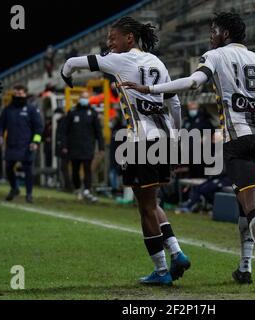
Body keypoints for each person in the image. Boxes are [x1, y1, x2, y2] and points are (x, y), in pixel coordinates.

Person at [120, 12, 255, 292]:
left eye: (214, 30)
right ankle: (244, 267)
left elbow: (193, 83)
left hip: (238, 137)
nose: (211, 35)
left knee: (252, 201)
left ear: (225, 34)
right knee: (243, 201)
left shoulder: (216, 55)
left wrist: (151, 88)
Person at [61, 16, 190, 286]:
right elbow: (175, 103)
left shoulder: (120, 60)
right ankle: (177, 253)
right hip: (164, 138)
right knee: (153, 202)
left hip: (140, 141)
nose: (109, 44)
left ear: (128, 38)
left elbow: (72, 63)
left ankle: (162, 270)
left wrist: (66, 76)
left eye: (112, 38)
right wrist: (176, 136)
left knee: (144, 208)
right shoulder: (157, 62)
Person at [0, 85, 44, 203]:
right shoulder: (8, 109)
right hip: (12, 144)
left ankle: (29, 194)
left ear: (25, 95)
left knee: (28, 169)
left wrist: (35, 141)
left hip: (27, 144)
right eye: (16, 94)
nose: (18, 96)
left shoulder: (31, 109)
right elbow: (1, 125)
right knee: (8, 168)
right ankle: (14, 188)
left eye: (20, 94)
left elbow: (38, 127)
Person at [62, 91, 105, 202]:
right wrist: (64, 145)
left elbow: (98, 132)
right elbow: (65, 131)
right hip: (74, 147)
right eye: (83, 97)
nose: (84, 99)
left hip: (88, 147)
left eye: (86, 97)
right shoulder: (72, 112)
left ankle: (87, 190)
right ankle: (77, 188)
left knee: (87, 169)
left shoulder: (93, 113)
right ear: (79, 98)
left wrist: (101, 146)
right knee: (75, 170)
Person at [55, 107, 72, 191]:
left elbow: (63, 135)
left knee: (64, 167)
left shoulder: (64, 122)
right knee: (64, 167)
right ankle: (67, 185)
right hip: (64, 148)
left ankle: (68, 186)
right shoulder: (62, 121)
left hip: (66, 148)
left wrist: (64, 146)